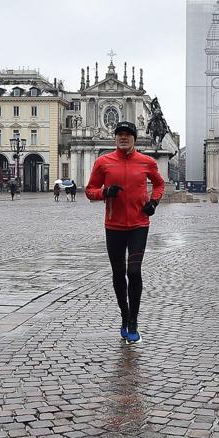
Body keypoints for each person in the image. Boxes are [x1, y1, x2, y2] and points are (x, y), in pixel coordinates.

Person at [86, 121, 164, 344]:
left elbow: (159, 185)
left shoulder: (147, 162)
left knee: (135, 271)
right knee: (118, 273)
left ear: (134, 139)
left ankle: (133, 321)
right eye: (119, 134)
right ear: (115, 138)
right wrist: (105, 192)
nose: (123, 137)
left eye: (128, 135)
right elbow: (89, 191)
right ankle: (124, 314)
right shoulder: (103, 162)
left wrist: (154, 202)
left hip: (139, 224)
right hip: (114, 225)